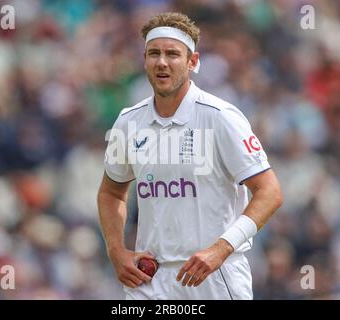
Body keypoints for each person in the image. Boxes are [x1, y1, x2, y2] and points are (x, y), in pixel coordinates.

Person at [97, 12, 282, 300]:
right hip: (151, 278)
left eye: (173, 54)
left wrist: (221, 249)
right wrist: (116, 249)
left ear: (192, 62)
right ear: (144, 59)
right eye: (154, 53)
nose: (162, 62)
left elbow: (269, 192)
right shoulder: (128, 121)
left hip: (214, 276)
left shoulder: (221, 117)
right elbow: (111, 192)